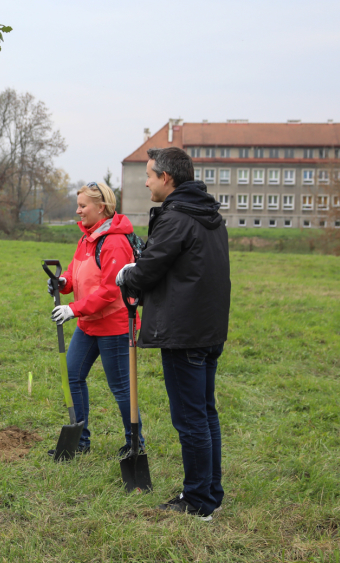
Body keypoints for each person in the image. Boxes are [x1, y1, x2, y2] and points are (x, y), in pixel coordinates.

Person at [116, 147, 230, 521]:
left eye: (149, 175)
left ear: (166, 177)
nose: (146, 181)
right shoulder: (208, 214)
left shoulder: (177, 217)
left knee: (191, 419)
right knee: (205, 414)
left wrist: (126, 275)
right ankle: (210, 490)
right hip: (208, 330)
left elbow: (149, 270)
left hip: (185, 333)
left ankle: (197, 501)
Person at [47, 181, 143, 457]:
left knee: (121, 388)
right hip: (89, 324)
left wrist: (72, 309)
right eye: (77, 205)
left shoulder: (113, 241)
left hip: (113, 325)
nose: (78, 211)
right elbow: (78, 275)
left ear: (101, 208)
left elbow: (111, 291)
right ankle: (80, 442)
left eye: (82, 206)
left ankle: (135, 443)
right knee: (72, 375)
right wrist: (62, 282)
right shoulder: (87, 238)